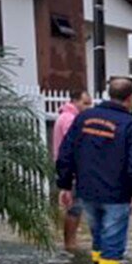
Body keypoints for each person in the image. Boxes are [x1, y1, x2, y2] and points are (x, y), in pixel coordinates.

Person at [57, 78, 132, 264]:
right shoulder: (130, 125)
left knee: (98, 238)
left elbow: (66, 152)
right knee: (112, 243)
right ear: (130, 98)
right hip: (116, 195)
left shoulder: (84, 118)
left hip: (87, 191)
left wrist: (65, 184)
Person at [51, 90, 93, 251]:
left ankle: (71, 241)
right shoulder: (70, 119)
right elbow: (76, 145)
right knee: (74, 207)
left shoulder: (65, 117)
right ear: (75, 101)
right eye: (85, 103)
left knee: (75, 207)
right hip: (72, 168)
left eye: (90, 103)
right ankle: (70, 244)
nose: (88, 107)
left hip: (69, 167)